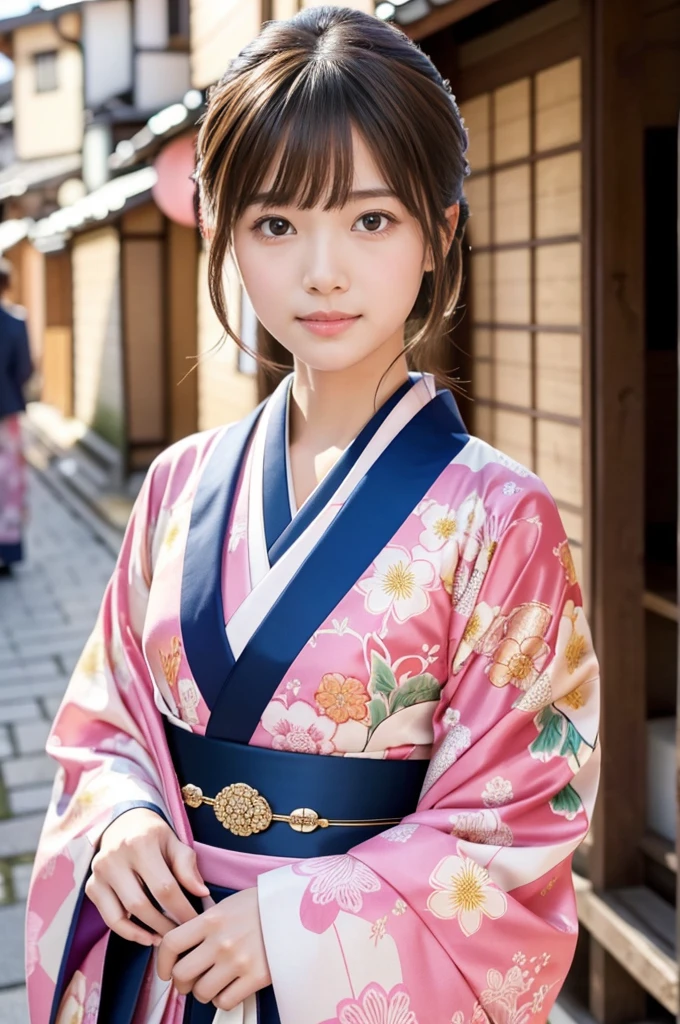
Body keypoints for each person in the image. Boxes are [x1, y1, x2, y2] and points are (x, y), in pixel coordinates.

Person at [26, 8, 600, 1024]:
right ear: (229, 234)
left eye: (369, 220)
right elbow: (102, 719)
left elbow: (511, 822)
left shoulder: (499, 517)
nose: (320, 270)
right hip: (168, 967)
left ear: (440, 233)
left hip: (350, 986)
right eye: (276, 224)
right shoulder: (178, 483)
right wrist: (114, 819)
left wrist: (301, 921)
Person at [0, 256, 32, 577]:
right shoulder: (15, 321)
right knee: (7, 483)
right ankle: (7, 550)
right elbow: (24, 369)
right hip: (6, 411)